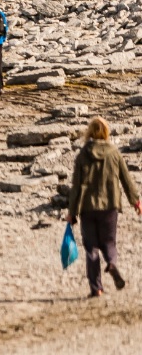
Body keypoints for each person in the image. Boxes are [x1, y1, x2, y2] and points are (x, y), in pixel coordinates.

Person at [68, 117, 142, 298]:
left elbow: (76, 186)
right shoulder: (113, 152)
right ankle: (112, 263)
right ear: (106, 132)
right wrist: (136, 201)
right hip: (110, 205)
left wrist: (72, 212)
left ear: (90, 133)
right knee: (109, 242)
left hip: (87, 207)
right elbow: (126, 179)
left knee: (91, 248)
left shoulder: (83, 154)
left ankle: (96, 288)